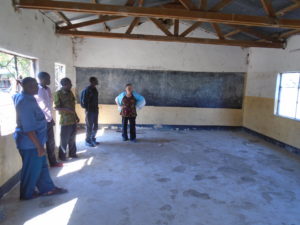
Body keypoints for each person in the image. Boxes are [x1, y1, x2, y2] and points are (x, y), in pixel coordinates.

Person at [13, 77, 67, 200]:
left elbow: (16, 94)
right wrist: (38, 146)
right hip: (30, 144)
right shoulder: (25, 102)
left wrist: (40, 145)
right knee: (31, 169)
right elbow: (28, 129)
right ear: (25, 87)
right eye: (32, 86)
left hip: (36, 141)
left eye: (36, 85)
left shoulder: (27, 97)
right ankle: (27, 194)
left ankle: (47, 189)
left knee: (42, 167)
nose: (36, 88)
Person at [35, 72, 63, 167]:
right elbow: (40, 107)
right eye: (48, 78)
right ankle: (41, 165)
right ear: (42, 79)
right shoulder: (37, 90)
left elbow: (49, 105)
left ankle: (53, 162)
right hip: (41, 121)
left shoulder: (48, 89)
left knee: (51, 142)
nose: (50, 80)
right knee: (41, 143)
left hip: (49, 119)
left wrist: (51, 118)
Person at [54, 78, 79, 161]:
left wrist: (76, 116)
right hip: (65, 121)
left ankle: (72, 153)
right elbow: (56, 108)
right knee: (64, 140)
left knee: (72, 138)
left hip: (73, 120)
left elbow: (72, 106)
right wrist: (67, 110)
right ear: (64, 85)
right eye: (69, 84)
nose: (71, 85)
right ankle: (62, 156)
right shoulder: (58, 94)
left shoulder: (70, 92)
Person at [80, 77, 99, 147]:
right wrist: (87, 109)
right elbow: (83, 102)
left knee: (96, 126)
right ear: (92, 81)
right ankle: (87, 141)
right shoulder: (87, 90)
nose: (97, 81)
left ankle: (93, 138)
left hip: (95, 110)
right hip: (90, 111)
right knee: (89, 126)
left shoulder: (94, 89)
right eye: (96, 80)